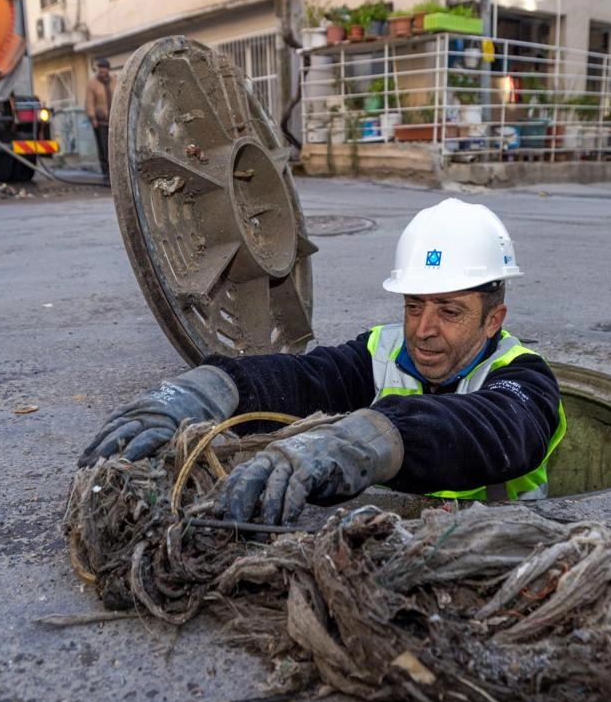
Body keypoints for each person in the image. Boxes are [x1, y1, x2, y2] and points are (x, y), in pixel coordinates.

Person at [79, 199, 567, 526]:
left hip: (502, 560)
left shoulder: (524, 379)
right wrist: (208, 387)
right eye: (414, 305)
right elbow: (306, 379)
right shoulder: (383, 350)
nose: (423, 329)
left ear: (492, 319)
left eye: (450, 311)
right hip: (388, 549)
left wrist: (367, 440)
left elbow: (495, 431)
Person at [85, 57, 115, 176]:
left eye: (104, 67)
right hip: (100, 120)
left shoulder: (114, 82)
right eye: (100, 67)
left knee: (113, 146)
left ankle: (114, 170)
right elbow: (89, 101)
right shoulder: (92, 83)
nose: (102, 70)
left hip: (113, 120)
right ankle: (105, 171)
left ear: (108, 69)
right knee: (103, 147)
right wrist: (92, 117)